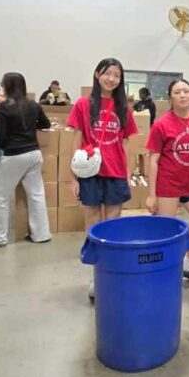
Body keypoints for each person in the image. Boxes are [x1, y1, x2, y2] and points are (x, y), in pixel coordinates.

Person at [66, 59, 137, 300]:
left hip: (115, 172)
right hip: (90, 173)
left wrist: (128, 174)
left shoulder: (124, 108)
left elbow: (126, 143)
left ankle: (111, 274)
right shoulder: (83, 104)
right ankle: (97, 276)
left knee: (113, 226)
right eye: (107, 73)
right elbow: (76, 140)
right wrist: (73, 177)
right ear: (97, 74)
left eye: (117, 75)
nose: (111, 79)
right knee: (93, 225)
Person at [146, 79, 189, 283]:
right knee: (164, 234)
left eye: (186, 91)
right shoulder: (161, 125)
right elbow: (153, 160)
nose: (182, 95)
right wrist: (151, 195)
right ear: (170, 98)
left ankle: (187, 264)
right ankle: (161, 274)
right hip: (167, 186)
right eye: (177, 92)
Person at [0, 72, 52, 247]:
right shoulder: (33, 104)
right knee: (36, 195)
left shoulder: (5, 107)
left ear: (7, 86)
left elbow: (1, 136)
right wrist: (30, 127)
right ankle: (41, 234)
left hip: (14, 155)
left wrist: (5, 145)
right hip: (34, 154)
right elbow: (46, 124)